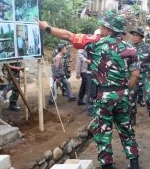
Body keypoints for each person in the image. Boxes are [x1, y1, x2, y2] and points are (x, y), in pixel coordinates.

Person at [38, 11, 141, 169]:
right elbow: (135, 74)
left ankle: (107, 165)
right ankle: (134, 163)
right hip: (122, 94)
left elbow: (68, 36)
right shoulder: (130, 48)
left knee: (103, 130)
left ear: (108, 28)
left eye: (102, 25)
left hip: (103, 95)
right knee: (125, 127)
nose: (100, 27)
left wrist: (47, 28)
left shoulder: (95, 41)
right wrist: (126, 89)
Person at [130, 28, 150, 126]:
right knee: (130, 98)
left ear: (141, 37)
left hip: (145, 76)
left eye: (137, 35)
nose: (134, 37)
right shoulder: (128, 47)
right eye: (133, 35)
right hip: (132, 77)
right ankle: (132, 117)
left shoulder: (148, 47)